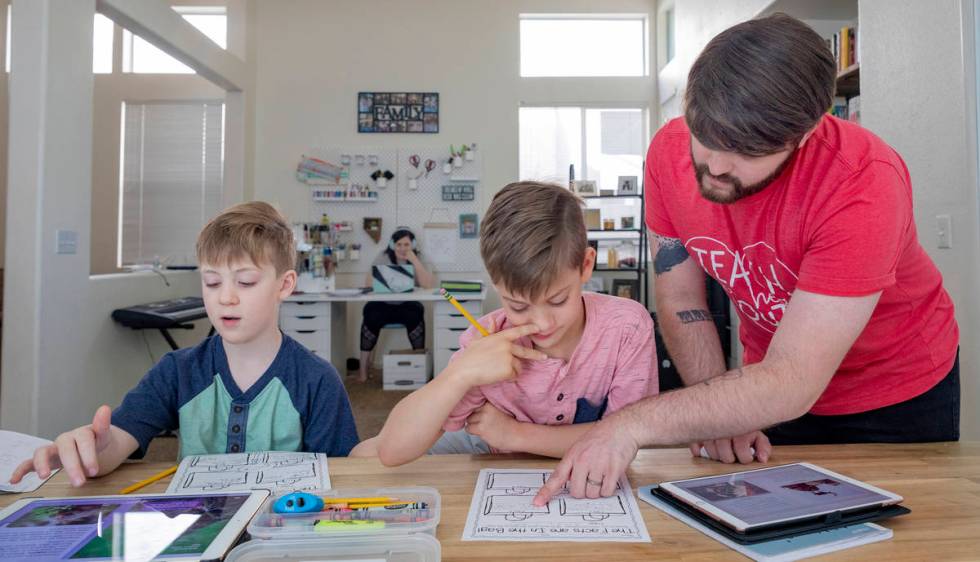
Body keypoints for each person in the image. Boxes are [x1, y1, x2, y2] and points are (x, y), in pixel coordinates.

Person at [534, 14, 958, 505]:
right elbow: (681, 298)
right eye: (705, 135)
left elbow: (794, 379)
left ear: (803, 136)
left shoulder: (862, 182)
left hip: (895, 395)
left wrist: (627, 425)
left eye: (744, 151)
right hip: (766, 392)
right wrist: (719, 411)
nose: (714, 165)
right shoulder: (668, 155)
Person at [10, 202, 359, 488]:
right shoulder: (176, 371)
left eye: (246, 282)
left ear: (284, 286)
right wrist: (93, 451)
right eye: (211, 281)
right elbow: (118, 441)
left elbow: (341, 480)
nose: (225, 298)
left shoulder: (317, 381)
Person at [351, 181, 658, 463]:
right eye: (518, 305)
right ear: (496, 285)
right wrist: (460, 374)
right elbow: (391, 452)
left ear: (586, 265)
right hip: (488, 450)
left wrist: (514, 434)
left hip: (510, 441)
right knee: (363, 455)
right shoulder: (489, 337)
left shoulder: (627, 327)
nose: (541, 323)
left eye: (557, 300)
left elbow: (627, 437)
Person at [357, 228, 436, 382]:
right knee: (369, 311)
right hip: (383, 305)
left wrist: (414, 261)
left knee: (417, 311)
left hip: (407, 305)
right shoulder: (383, 256)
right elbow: (367, 283)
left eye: (406, 244)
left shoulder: (419, 258)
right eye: (399, 244)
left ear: (412, 245)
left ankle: (419, 367)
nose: (402, 248)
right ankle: (363, 371)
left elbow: (428, 285)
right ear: (393, 245)